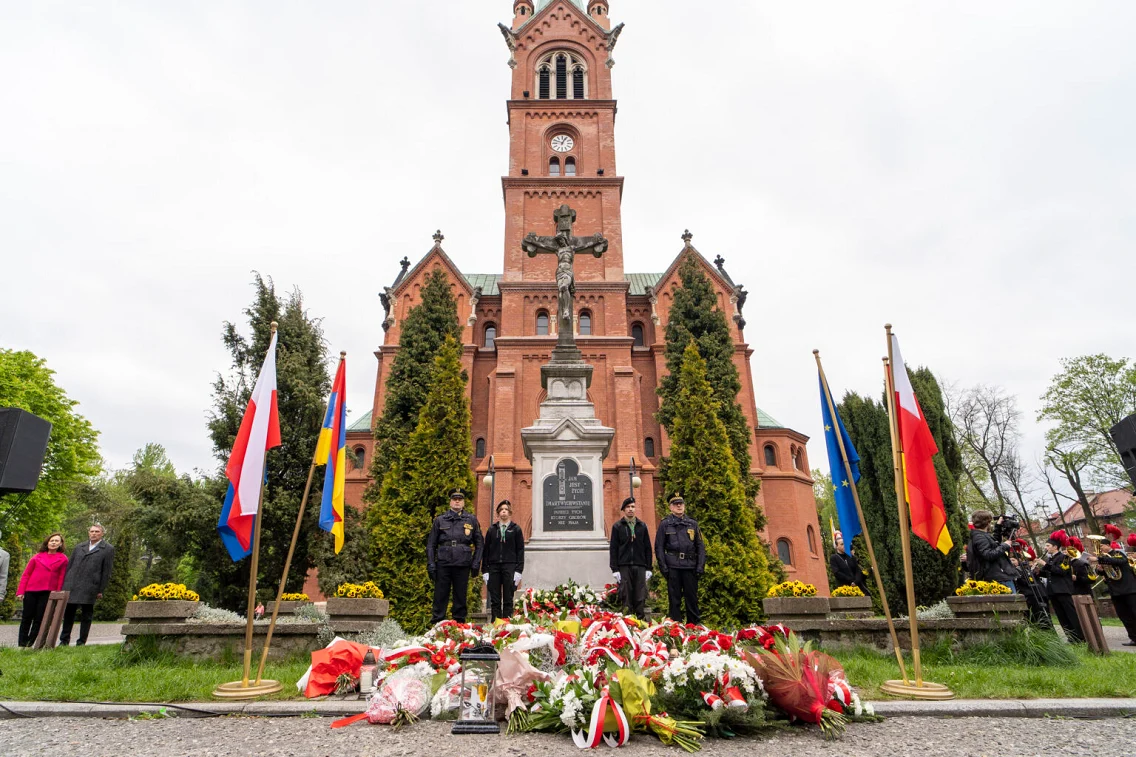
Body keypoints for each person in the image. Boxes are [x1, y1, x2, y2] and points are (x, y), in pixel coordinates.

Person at [427, 489, 483, 625]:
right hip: (443, 563)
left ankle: (459, 626)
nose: (457, 501)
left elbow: (480, 543)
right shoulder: (440, 520)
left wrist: (476, 563)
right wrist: (431, 564)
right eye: (454, 499)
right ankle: (437, 626)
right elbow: (431, 544)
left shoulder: (471, 520)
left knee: (460, 597)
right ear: (450, 501)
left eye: (460, 499)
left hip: (462, 563)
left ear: (463, 502)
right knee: (440, 597)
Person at [59, 523, 115, 646]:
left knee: (86, 615)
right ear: (88, 533)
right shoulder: (79, 547)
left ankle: (81, 641)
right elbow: (70, 566)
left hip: (91, 586)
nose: (94, 534)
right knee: (69, 614)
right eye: (92, 531)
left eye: (97, 532)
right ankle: (64, 640)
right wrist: (65, 584)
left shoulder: (108, 549)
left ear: (102, 534)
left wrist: (100, 589)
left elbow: (106, 571)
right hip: (72, 584)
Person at [654, 494, 705, 625]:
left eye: (681, 504)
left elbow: (700, 546)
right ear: (670, 507)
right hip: (673, 567)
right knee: (674, 599)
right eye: (676, 504)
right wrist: (663, 567)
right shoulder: (665, 524)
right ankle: (676, 628)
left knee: (692, 598)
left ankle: (694, 627)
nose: (679, 506)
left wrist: (700, 567)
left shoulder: (692, 524)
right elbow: (659, 547)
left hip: (690, 566)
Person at [16, 533, 69, 647]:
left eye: (56, 541)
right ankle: (22, 644)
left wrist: (57, 592)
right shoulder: (37, 557)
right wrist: (20, 591)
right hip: (31, 590)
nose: (53, 542)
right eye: (51, 540)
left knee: (39, 618)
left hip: (48, 592)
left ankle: (30, 643)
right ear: (47, 542)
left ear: (60, 544)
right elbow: (26, 574)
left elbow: (61, 577)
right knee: (27, 617)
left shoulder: (63, 559)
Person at [481, 500, 524, 621]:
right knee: (495, 600)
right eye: (501, 510)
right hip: (494, 567)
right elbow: (486, 551)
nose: (503, 512)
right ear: (498, 513)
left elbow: (520, 550)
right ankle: (495, 624)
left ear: (510, 512)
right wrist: (485, 570)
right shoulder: (492, 530)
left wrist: (519, 570)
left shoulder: (516, 529)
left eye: (506, 509)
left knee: (508, 599)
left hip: (509, 566)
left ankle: (507, 624)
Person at [609, 497, 651, 619]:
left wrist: (649, 567)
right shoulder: (618, 526)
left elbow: (647, 547)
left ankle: (640, 620)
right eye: (628, 507)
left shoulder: (642, 526)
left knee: (640, 594)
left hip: (640, 564)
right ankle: (627, 620)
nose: (631, 509)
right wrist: (615, 569)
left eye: (632, 507)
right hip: (624, 565)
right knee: (626, 594)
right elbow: (614, 548)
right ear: (623, 509)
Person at [1040, 529, 1084, 644]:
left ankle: (1079, 637)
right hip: (1052, 591)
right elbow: (1048, 573)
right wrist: (1038, 571)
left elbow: (1061, 571)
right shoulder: (1050, 559)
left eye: (1048, 546)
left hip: (1062, 590)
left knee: (1070, 614)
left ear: (1055, 547)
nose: (1046, 548)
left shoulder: (1064, 557)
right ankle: (1070, 637)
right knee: (1061, 616)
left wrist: (1045, 565)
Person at [1097, 526, 1136, 647]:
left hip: (1129, 590)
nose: (1100, 549)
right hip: (1116, 591)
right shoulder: (1104, 559)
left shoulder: (1118, 553)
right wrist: (1100, 570)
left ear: (1108, 545)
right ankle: (1134, 637)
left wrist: (1102, 560)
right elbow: (1109, 573)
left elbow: (1121, 562)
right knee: (1124, 616)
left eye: (1102, 546)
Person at [968, 511, 1017, 592]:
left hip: (996, 576)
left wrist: (998, 526)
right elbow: (988, 554)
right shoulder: (980, 537)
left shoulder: (980, 535)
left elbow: (993, 544)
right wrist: (1004, 545)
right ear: (987, 522)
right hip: (997, 577)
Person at [1011, 539, 1052, 630]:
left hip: (1037, 594)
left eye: (1013, 560)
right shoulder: (1017, 570)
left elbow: (1030, 581)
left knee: (1044, 618)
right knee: (1035, 620)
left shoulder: (1025, 569)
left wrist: (1034, 571)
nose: (1012, 562)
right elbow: (1023, 582)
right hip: (1029, 596)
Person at [830, 531, 870, 596]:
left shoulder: (850, 556)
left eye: (845, 544)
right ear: (837, 546)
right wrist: (850, 581)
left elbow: (857, 570)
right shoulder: (834, 558)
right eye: (842, 544)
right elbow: (837, 572)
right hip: (844, 587)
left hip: (857, 586)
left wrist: (856, 581)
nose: (844, 546)